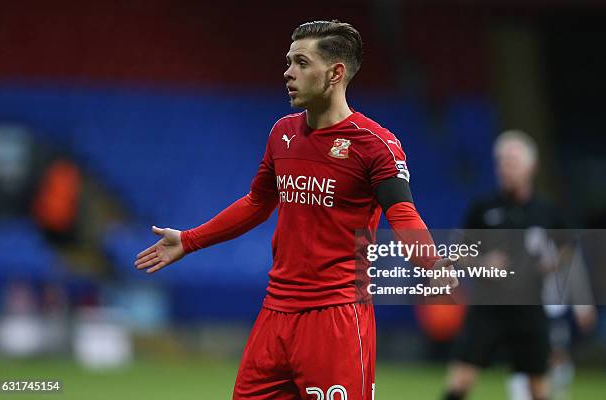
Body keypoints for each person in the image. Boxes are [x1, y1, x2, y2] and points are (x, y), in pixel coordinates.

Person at [135, 20, 457, 400]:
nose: (288, 72)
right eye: (289, 62)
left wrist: (432, 265)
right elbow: (257, 203)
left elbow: (402, 213)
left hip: (336, 317)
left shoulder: (375, 145)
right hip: (275, 314)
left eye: (301, 63)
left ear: (336, 73)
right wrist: (189, 240)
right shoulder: (281, 133)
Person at [442, 130, 563, 400]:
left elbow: (565, 252)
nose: (505, 168)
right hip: (488, 308)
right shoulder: (483, 208)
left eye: (512, 161)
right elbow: (458, 250)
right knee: (459, 383)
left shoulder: (547, 211)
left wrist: (547, 265)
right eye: (501, 161)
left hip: (529, 309)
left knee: (539, 390)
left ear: (531, 166)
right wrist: (484, 262)